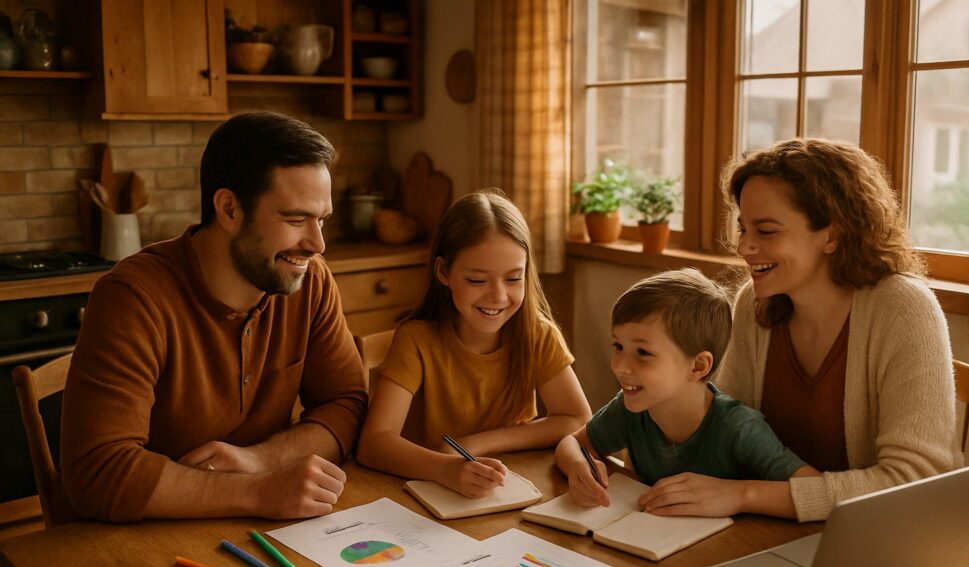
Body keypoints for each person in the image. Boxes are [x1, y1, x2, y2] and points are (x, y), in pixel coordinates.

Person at [62, 112, 368, 522]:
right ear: (228, 209)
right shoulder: (133, 298)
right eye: (296, 219)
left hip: (262, 526)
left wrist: (260, 461)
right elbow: (99, 472)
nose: (317, 244)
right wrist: (258, 492)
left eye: (322, 220)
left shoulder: (308, 281)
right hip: (144, 538)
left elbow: (346, 405)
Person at [643, 137, 958, 522]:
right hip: (773, 531)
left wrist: (746, 495)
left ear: (832, 235)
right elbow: (723, 433)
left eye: (766, 231)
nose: (744, 247)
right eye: (743, 229)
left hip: (875, 538)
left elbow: (915, 482)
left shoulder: (904, 308)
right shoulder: (753, 304)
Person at [357, 189, 591, 498]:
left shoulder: (538, 335)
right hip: (426, 494)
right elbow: (373, 444)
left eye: (513, 278)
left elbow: (577, 419)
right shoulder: (416, 340)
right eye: (477, 280)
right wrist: (446, 468)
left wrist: (477, 443)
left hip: (508, 491)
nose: (498, 296)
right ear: (443, 272)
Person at [555, 268, 816, 509]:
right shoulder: (630, 408)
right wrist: (577, 465)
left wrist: (741, 495)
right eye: (618, 346)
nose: (620, 366)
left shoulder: (739, 428)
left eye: (643, 352)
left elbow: (813, 489)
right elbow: (573, 442)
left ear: (698, 366)